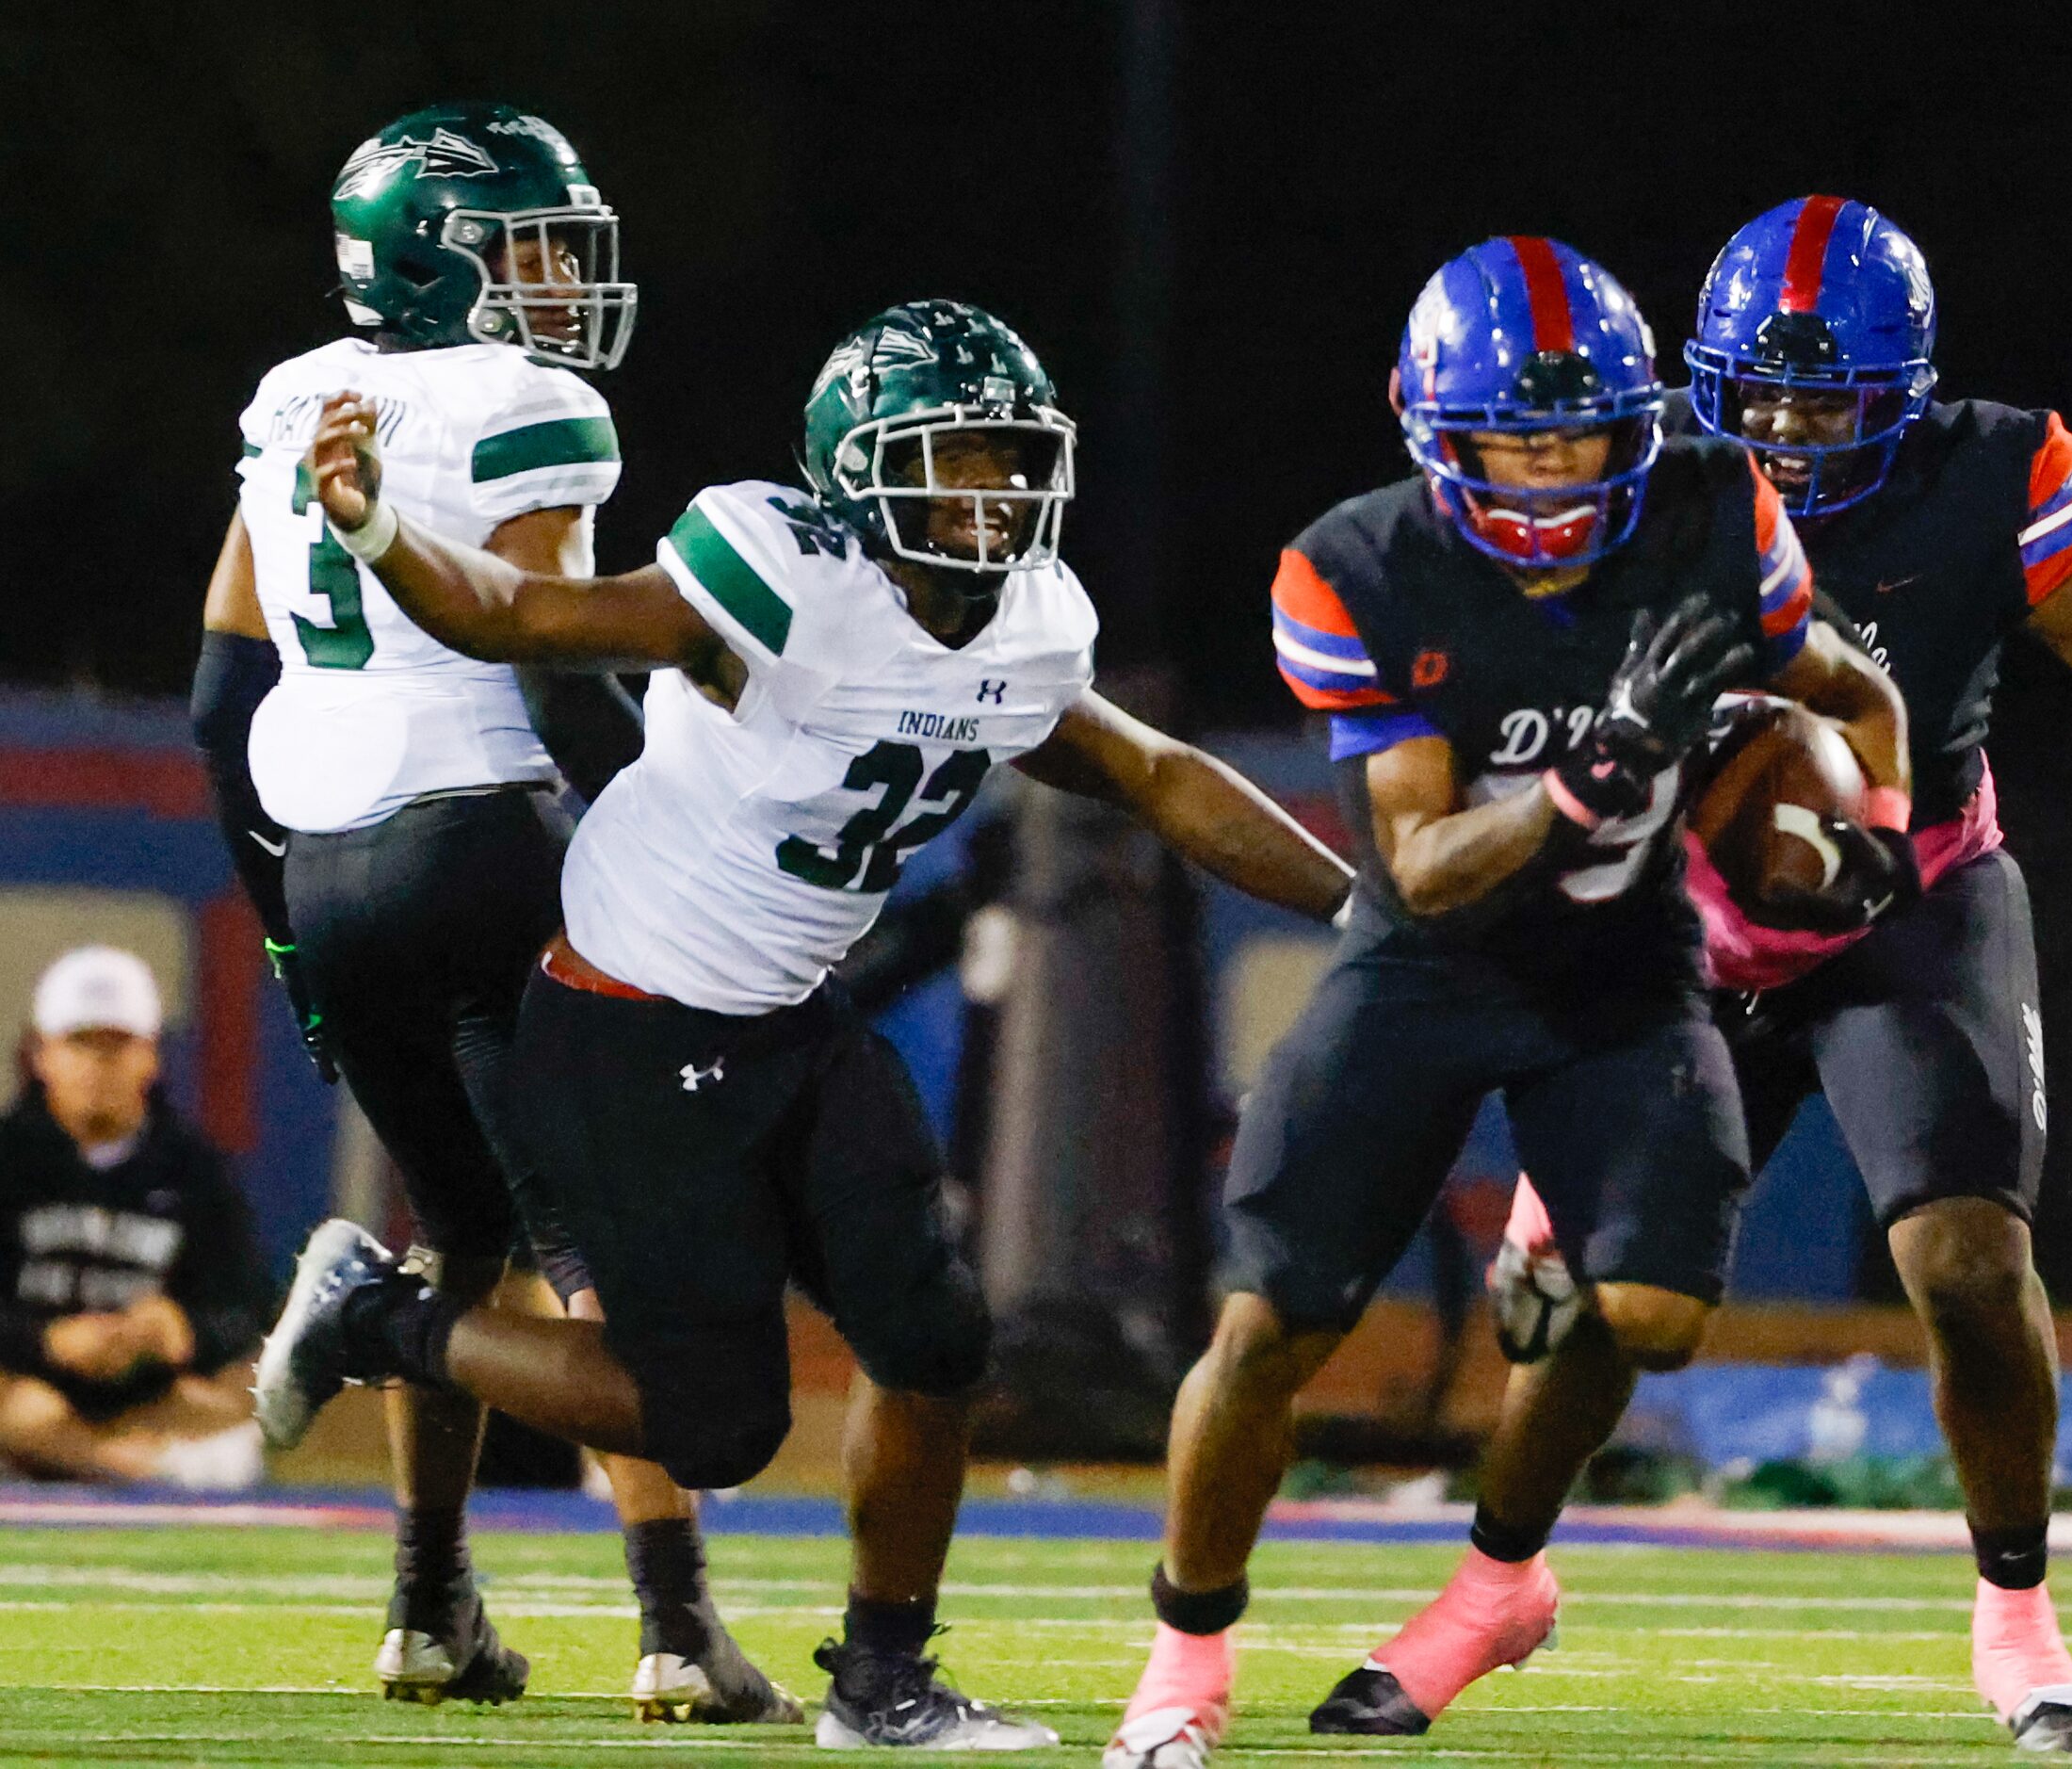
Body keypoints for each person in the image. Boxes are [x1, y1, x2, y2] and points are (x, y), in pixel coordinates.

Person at [252, 297, 1358, 1749]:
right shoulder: (775, 573)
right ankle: (376, 1313)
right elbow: (521, 616)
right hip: (631, 1023)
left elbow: (1158, 774)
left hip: (788, 1016)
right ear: (862, 467)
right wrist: (380, 525)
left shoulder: (1028, 622)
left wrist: (1362, 909)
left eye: (1010, 459)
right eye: (955, 459)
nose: (994, 493)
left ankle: (882, 1680)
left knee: (937, 1333)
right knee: (711, 1421)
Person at [1488, 196, 2072, 1754]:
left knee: (1971, 1267)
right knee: (1591, 1307)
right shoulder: (1621, 483)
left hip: (1906, 896)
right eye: (1757, 400)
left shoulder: (1993, 476)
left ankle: (2019, 1621)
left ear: (1908, 398)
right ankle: (1492, 1582)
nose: (1784, 436)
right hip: (1689, 920)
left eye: (1825, 404)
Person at [1104, 236, 1913, 1769]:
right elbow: (1420, 855)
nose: (1549, 470)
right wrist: (1593, 773)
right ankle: (1185, 1657)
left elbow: (1847, 686)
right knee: (1271, 1321)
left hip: (1620, 966)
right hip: (1427, 963)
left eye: (1580, 433)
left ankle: (1497, 1577)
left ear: (1640, 424)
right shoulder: (1352, 565)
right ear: (1437, 433)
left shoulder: (1709, 515)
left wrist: (1868, 823)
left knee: (1654, 1310)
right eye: (1514, 437)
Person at [191, 103, 791, 1721]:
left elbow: (217, 694)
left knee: (460, 1232)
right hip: (486, 831)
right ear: (436, 259)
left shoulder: (293, 397)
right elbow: (546, 646)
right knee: (601, 1233)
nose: (554, 281)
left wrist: (295, 941)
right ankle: (675, 1625)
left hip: (331, 859)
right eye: (526, 246)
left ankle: (425, 1610)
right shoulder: (532, 401)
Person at [0, 948, 264, 1489]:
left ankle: (83, 1457)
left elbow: (248, 1307)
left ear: (150, 1056)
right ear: (42, 1054)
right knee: (23, 1406)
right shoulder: (8, 1157)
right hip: (31, 1389)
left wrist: (182, 1330)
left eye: (117, 1045)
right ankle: (126, 1467)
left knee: (252, 1386)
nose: (99, 1065)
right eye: (80, 1043)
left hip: (153, 1399)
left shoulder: (195, 1170)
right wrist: (46, 1341)